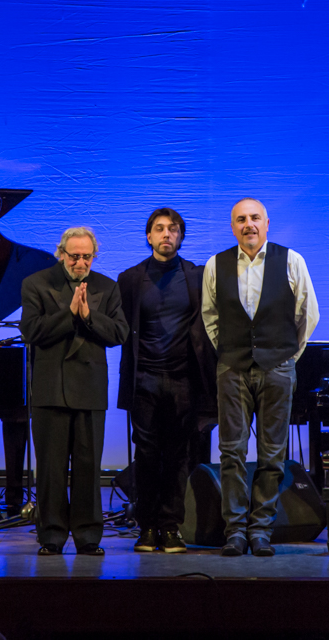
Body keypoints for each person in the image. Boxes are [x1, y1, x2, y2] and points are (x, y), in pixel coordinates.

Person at [201, 198, 318, 557]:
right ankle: (235, 531)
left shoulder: (292, 260)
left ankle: (261, 531)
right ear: (232, 226)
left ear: (267, 223)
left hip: (277, 367)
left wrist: (286, 359)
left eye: (254, 218)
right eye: (240, 219)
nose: (248, 224)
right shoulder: (215, 264)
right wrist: (231, 354)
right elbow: (210, 317)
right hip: (233, 368)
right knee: (232, 452)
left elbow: (308, 316)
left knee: (272, 455)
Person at [19, 227, 129, 556]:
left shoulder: (107, 288)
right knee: (51, 468)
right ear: (61, 253)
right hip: (50, 389)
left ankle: (88, 536)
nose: (80, 262)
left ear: (94, 256)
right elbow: (31, 331)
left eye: (86, 256)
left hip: (90, 389)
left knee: (87, 466)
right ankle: (51, 536)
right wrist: (69, 314)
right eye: (74, 256)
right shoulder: (35, 284)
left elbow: (119, 333)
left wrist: (88, 315)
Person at [116, 208, 216, 554]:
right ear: (148, 236)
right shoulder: (129, 279)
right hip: (143, 379)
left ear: (181, 236)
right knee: (145, 455)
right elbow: (120, 329)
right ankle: (146, 527)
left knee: (178, 457)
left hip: (184, 379)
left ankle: (171, 527)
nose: (166, 235)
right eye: (159, 229)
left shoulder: (197, 276)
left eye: (173, 229)